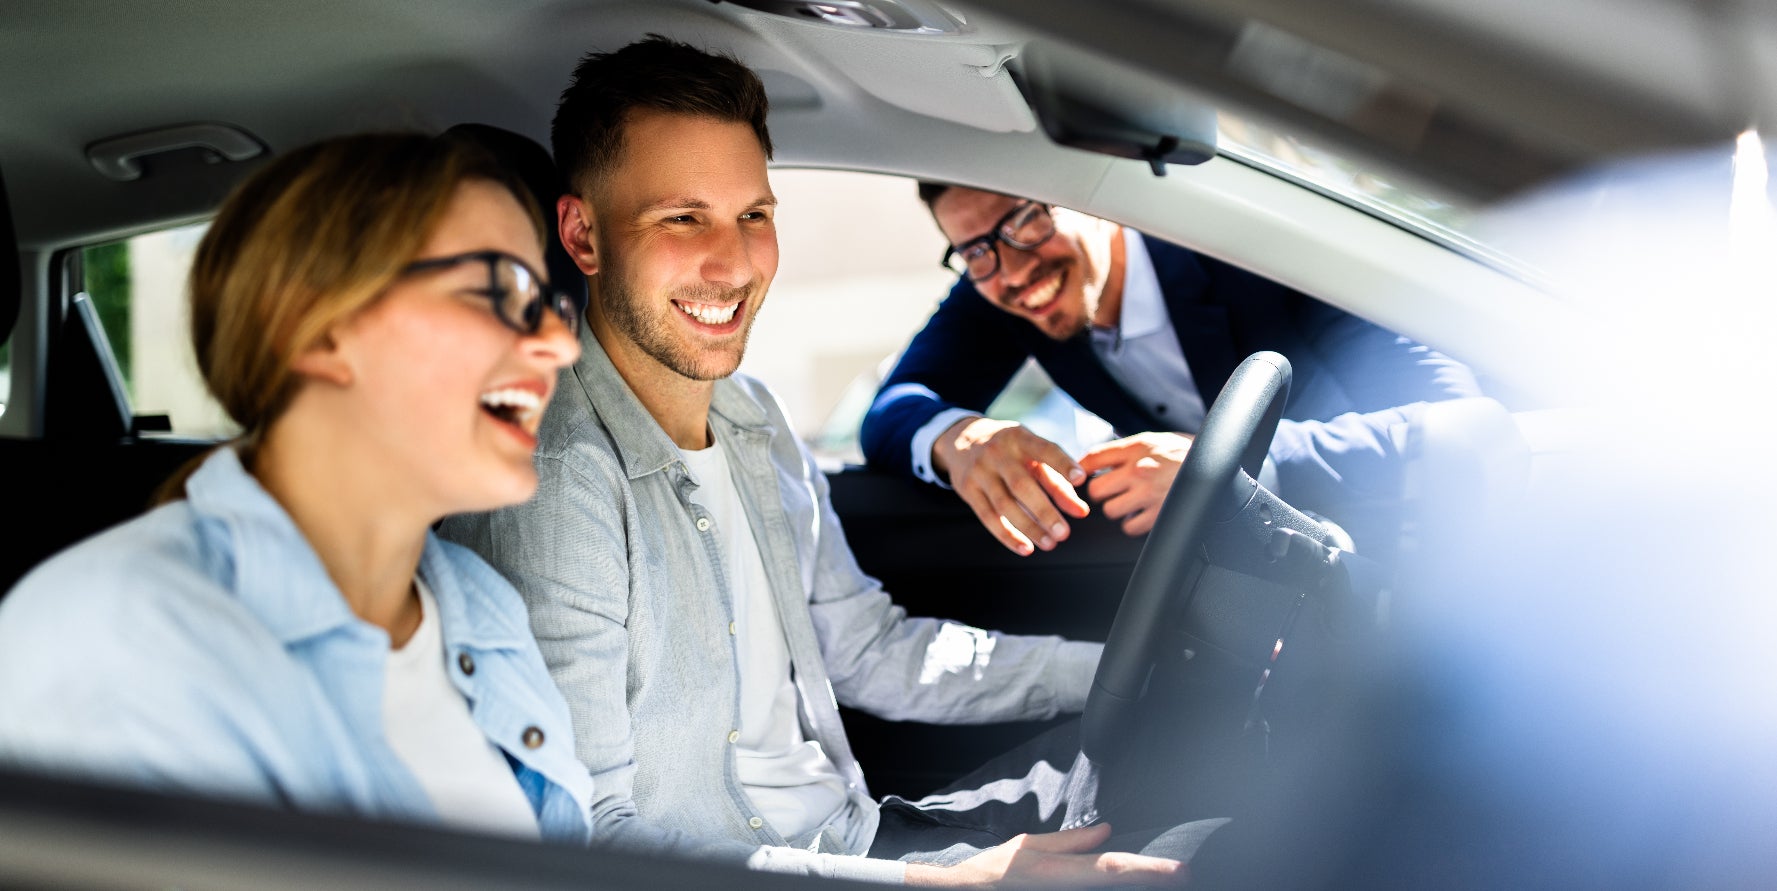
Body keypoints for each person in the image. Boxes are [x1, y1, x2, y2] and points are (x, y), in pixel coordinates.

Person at [440, 36, 1194, 887]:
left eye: (753, 215)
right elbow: (594, 834)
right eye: (683, 218)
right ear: (581, 234)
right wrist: (943, 883)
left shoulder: (751, 412)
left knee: (1195, 754)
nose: (733, 263)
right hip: (817, 868)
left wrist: (1123, 667)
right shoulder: (561, 477)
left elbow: (870, 650)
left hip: (861, 835)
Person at [0, 132, 593, 841]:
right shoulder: (120, 642)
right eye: (499, 290)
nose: (561, 343)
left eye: (549, 302)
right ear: (313, 329)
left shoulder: (481, 605)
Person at [860, 186, 1482, 556]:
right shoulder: (995, 289)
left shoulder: (1244, 248)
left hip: (1417, 545)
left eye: (1026, 219)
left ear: (1089, 195)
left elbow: (1449, 419)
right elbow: (890, 411)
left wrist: (1220, 471)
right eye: (974, 250)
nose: (1013, 271)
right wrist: (961, 440)